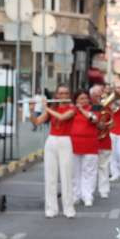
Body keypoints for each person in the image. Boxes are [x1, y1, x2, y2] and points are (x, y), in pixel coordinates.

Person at [34, 84, 76, 218]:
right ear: (57, 95)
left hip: (65, 141)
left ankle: (68, 208)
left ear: (68, 95)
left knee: (66, 176)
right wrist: (31, 110)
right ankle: (51, 208)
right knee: (50, 176)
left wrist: (46, 107)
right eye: (61, 93)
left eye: (65, 93)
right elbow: (37, 121)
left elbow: (62, 117)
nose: (63, 96)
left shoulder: (72, 108)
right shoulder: (53, 107)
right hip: (51, 141)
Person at [70, 89, 100, 207]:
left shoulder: (95, 108)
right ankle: (75, 195)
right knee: (74, 172)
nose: (84, 101)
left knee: (89, 172)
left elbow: (94, 119)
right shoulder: (72, 110)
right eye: (81, 99)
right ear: (76, 100)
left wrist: (81, 109)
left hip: (90, 143)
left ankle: (87, 195)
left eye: (85, 98)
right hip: (74, 143)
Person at [91, 84, 112, 199]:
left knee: (104, 167)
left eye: (101, 94)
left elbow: (111, 122)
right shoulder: (88, 107)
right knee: (90, 168)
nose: (99, 97)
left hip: (104, 141)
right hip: (91, 141)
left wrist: (105, 123)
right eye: (97, 95)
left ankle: (104, 190)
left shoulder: (106, 107)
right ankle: (89, 191)